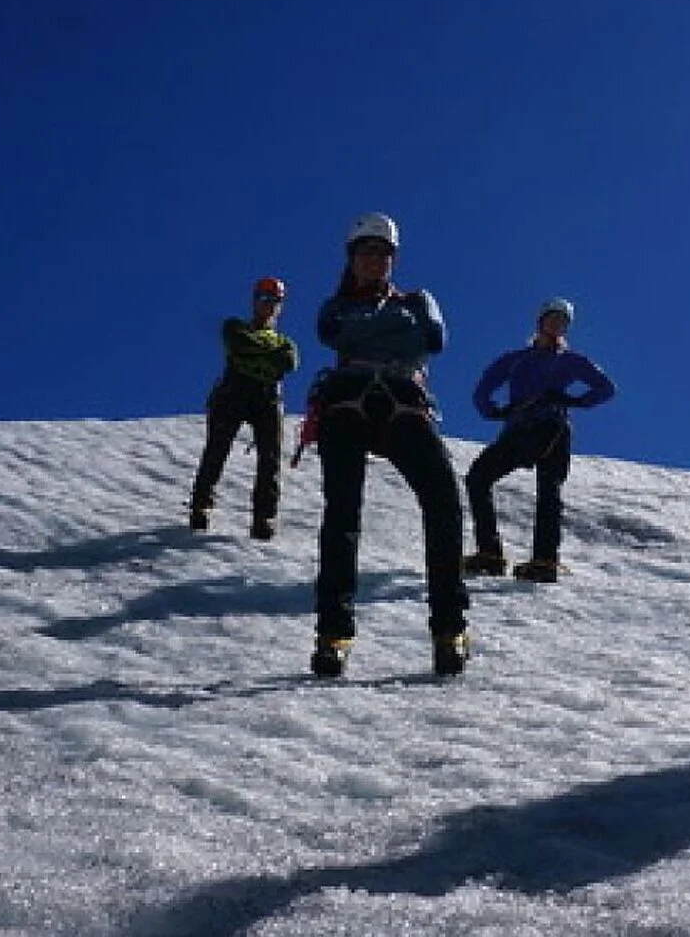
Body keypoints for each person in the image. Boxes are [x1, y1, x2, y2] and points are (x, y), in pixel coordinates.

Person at [309, 212, 469, 677]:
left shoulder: (419, 301)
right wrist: (398, 331)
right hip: (350, 401)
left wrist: (373, 332)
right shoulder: (339, 307)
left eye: (382, 253)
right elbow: (333, 334)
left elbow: (434, 339)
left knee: (443, 500)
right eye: (366, 252)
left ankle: (449, 629)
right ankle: (332, 635)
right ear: (353, 258)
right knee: (342, 513)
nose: (375, 260)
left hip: (398, 398)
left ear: (393, 259)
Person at [463, 296, 615, 582]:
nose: (557, 324)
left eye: (562, 321)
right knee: (479, 478)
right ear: (541, 322)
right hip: (524, 428)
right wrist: (494, 411)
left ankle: (541, 560)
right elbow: (482, 390)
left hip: (551, 426)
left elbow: (606, 388)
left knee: (547, 490)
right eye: (553, 318)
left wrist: (575, 401)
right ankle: (493, 554)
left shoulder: (570, 360)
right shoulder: (517, 360)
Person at [189, 276, 298, 538]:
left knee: (270, 459)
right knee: (217, 448)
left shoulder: (285, 343)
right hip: (234, 391)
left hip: (267, 398)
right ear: (254, 301)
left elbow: (289, 362)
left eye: (274, 301)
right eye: (264, 299)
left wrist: (254, 352)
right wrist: (266, 355)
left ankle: (264, 517)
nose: (268, 305)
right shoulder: (235, 327)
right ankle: (201, 506)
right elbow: (241, 344)